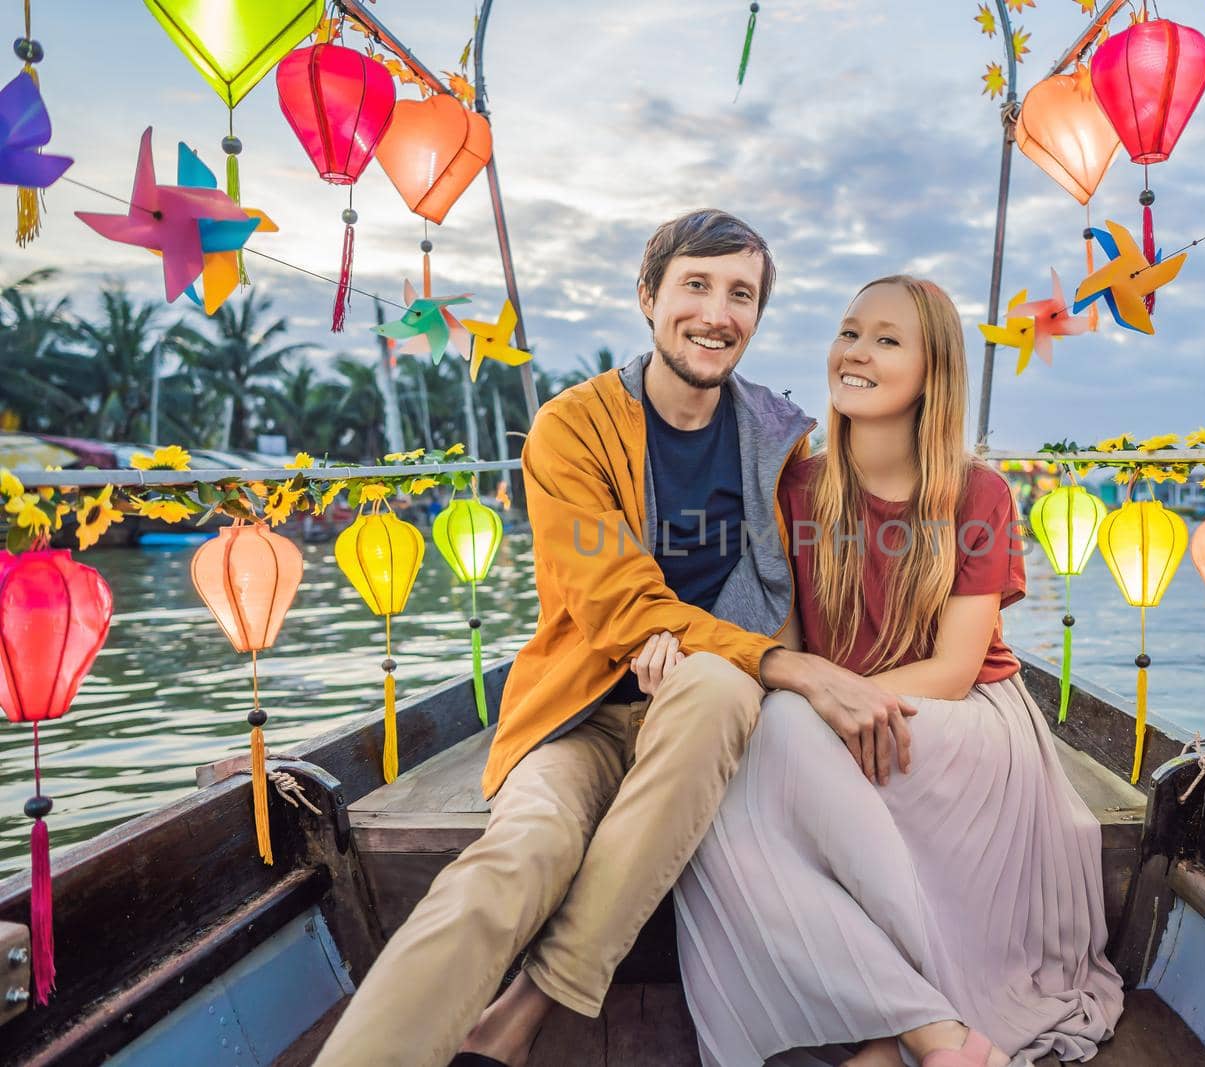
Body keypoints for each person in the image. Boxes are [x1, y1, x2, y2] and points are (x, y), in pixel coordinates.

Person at [315, 210, 919, 1067]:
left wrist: (727, 653)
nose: (718, 312)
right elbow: (614, 600)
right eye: (697, 286)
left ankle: (520, 1013)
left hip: (713, 718)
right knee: (523, 851)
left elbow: (818, 575)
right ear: (649, 298)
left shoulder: (780, 444)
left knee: (713, 687)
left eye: (741, 294)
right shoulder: (572, 428)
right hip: (584, 710)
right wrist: (771, 661)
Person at [649, 276, 1124, 1066]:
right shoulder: (796, 488)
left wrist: (833, 694)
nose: (856, 352)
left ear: (932, 371)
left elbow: (954, 666)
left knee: (788, 724)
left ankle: (889, 1030)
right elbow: (789, 649)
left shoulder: (978, 492)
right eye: (848, 331)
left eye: (886, 339)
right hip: (831, 725)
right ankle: (910, 1026)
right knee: (724, 778)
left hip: (963, 722)